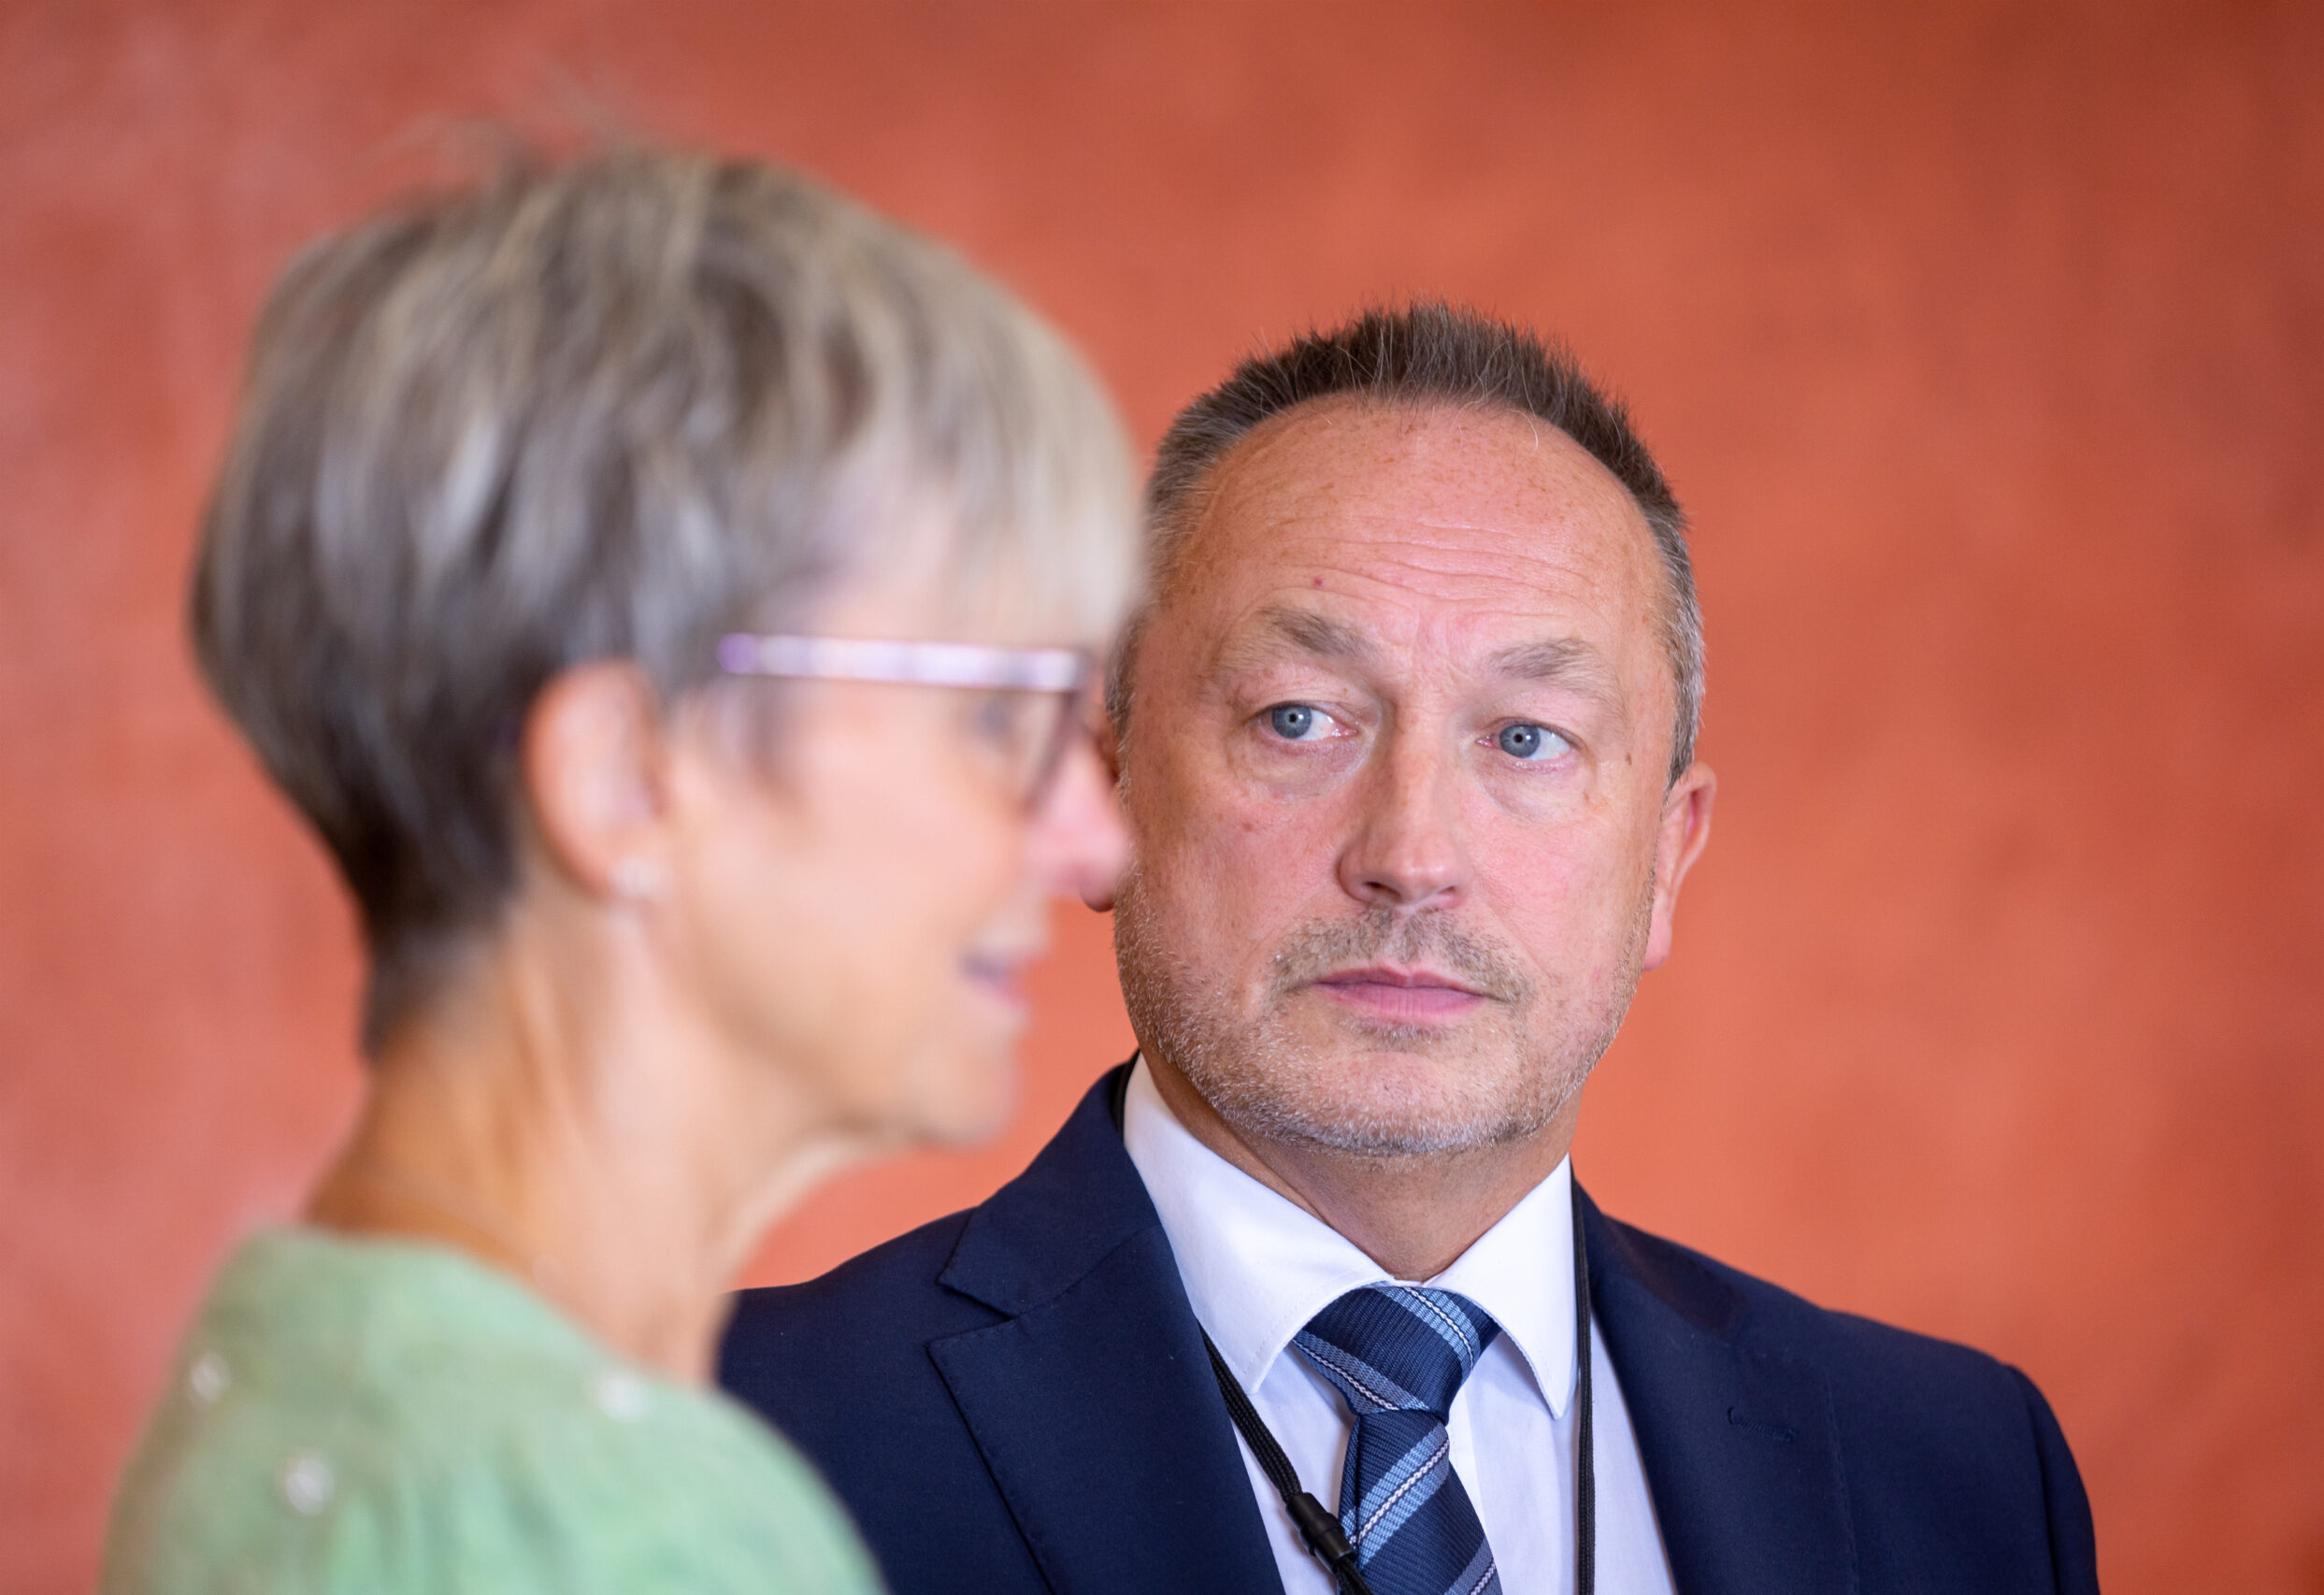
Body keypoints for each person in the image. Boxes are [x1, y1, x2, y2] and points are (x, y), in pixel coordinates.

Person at [721, 304, 2101, 1595]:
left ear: (1667, 860)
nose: (1413, 853)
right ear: (1103, 792)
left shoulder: (1959, 1476)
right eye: (1299, 718)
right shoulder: (730, 1441)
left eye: (1528, 738)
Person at [100, 146, 1138, 1593]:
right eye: (993, 718)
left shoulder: (300, 1371)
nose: (1097, 837)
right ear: (623, 779)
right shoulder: (603, 1528)